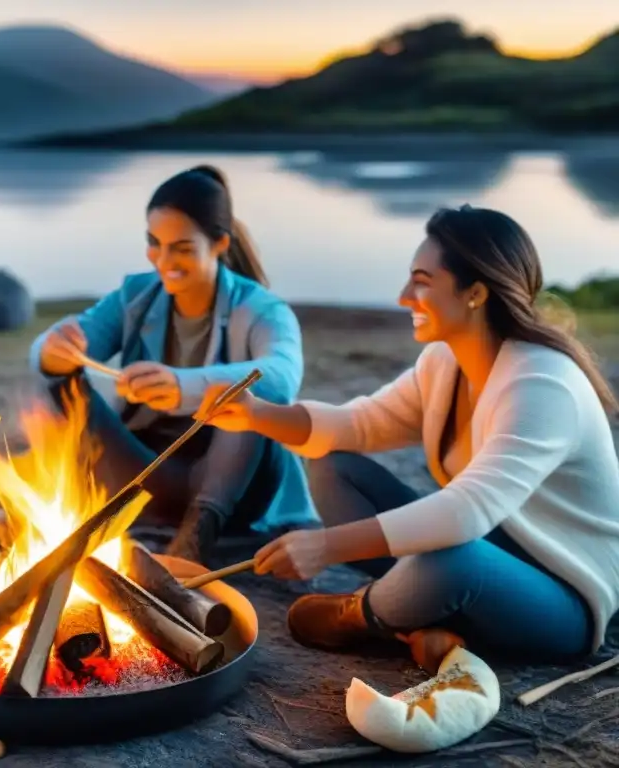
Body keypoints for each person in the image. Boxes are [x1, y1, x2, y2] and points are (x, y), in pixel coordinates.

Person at [201, 204, 619, 667]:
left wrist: (326, 546)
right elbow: (357, 425)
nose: (404, 296)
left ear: (475, 293)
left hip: (564, 595)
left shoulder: (543, 384)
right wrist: (256, 414)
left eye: (422, 281)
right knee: (334, 468)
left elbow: (467, 510)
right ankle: (425, 617)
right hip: (482, 546)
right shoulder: (445, 363)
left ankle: (361, 614)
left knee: (452, 560)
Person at [29, 165, 319, 564]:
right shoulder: (137, 296)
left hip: (234, 490)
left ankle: (195, 542)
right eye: (154, 243)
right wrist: (52, 349)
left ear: (219, 243)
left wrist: (186, 385)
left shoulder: (261, 308)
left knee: (241, 403)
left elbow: (282, 376)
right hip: (150, 474)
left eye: (181, 248)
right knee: (60, 385)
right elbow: (55, 347)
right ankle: (85, 509)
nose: (163, 261)